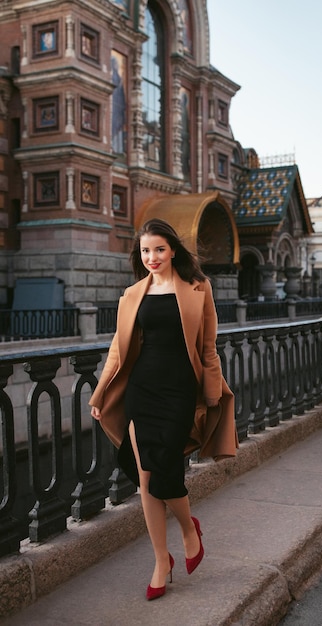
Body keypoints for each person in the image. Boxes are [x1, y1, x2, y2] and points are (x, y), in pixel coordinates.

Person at [89, 218, 237, 601]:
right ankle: (160, 560)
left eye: (159, 249)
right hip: (142, 390)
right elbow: (118, 350)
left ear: (172, 250)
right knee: (145, 480)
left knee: (164, 472)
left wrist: (211, 395)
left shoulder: (197, 288)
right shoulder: (132, 294)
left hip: (179, 392)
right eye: (145, 251)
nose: (152, 257)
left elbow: (207, 348)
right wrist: (100, 393)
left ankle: (189, 529)